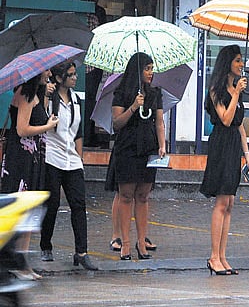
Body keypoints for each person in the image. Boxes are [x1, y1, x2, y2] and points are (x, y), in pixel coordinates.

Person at [0, 70, 59, 280]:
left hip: (32, 159)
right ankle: (14, 263)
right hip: (21, 160)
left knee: (27, 213)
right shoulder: (25, 94)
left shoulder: (35, 94)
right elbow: (22, 129)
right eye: (47, 70)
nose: (50, 74)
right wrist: (48, 126)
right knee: (19, 210)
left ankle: (21, 263)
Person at [39, 61, 97, 270]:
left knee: (79, 205)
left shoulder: (75, 99)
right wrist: (45, 94)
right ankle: (46, 244)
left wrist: (79, 158)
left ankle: (81, 251)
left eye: (75, 74)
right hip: (52, 157)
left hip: (71, 158)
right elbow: (41, 120)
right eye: (71, 75)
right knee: (52, 204)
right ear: (59, 78)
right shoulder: (48, 96)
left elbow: (78, 131)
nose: (75, 78)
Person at [200, 44, 249, 276]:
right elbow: (227, 119)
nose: (241, 65)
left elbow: (240, 126)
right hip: (221, 144)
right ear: (228, 63)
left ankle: (222, 255)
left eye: (242, 61)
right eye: (238, 61)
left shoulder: (234, 89)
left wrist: (247, 155)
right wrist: (236, 94)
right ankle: (213, 256)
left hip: (234, 147)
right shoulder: (217, 89)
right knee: (221, 202)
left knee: (230, 203)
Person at [110, 52, 165, 261]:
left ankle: (142, 242)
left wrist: (162, 145)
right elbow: (117, 123)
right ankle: (124, 243)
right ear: (137, 70)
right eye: (147, 68)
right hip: (127, 147)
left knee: (143, 196)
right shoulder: (121, 93)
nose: (151, 73)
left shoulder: (155, 93)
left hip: (148, 147)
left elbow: (159, 122)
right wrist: (133, 106)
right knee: (126, 196)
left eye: (152, 68)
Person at [81, 0, 107, 147]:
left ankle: (85, 134)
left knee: (85, 101)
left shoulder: (78, 11)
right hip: (93, 64)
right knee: (90, 101)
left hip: (80, 62)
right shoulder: (98, 13)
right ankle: (88, 135)